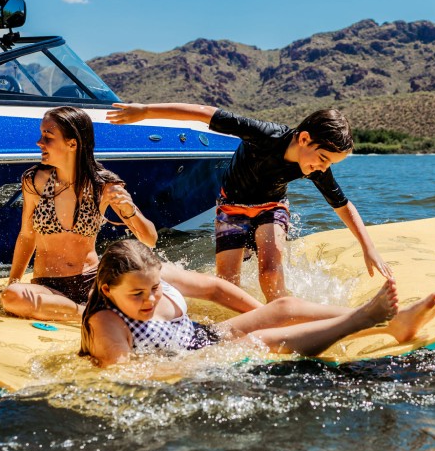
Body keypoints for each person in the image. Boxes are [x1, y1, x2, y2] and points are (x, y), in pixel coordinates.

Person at [107, 103, 392, 302]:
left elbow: (342, 204)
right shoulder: (265, 135)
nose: (323, 168)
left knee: (269, 274)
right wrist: (145, 112)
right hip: (232, 208)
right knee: (227, 283)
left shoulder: (314, 168)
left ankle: (281, 313)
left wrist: (369, 248)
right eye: (323, 159)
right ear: (304, 138)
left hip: (272, 208)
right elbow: (205, 113)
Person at [79, 240, 435, 367]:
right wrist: (208, 363)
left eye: (155, 288)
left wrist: (261, 315)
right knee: (263, 342)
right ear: (108, 290)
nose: (150, 298)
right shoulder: (107, 324)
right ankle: (365, 320)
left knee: (281, 308)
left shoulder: (151, 272)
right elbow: (124, 374)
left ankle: (394, 322)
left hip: (202, 337)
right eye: (137, 295)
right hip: (188, 360)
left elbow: (214, 289)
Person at [0, 106, 158, 320]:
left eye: (48, 136)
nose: (40, 142)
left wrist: (130, 210)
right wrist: (10, 285)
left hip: (92, 281)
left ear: (72, 143)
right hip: (47, 286)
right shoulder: (35, 181)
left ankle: (86, 307)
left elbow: (149, 239)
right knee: (12, 297)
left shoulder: (103, 185)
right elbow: (27, 236)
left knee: (151, 285)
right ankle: (86, 312)